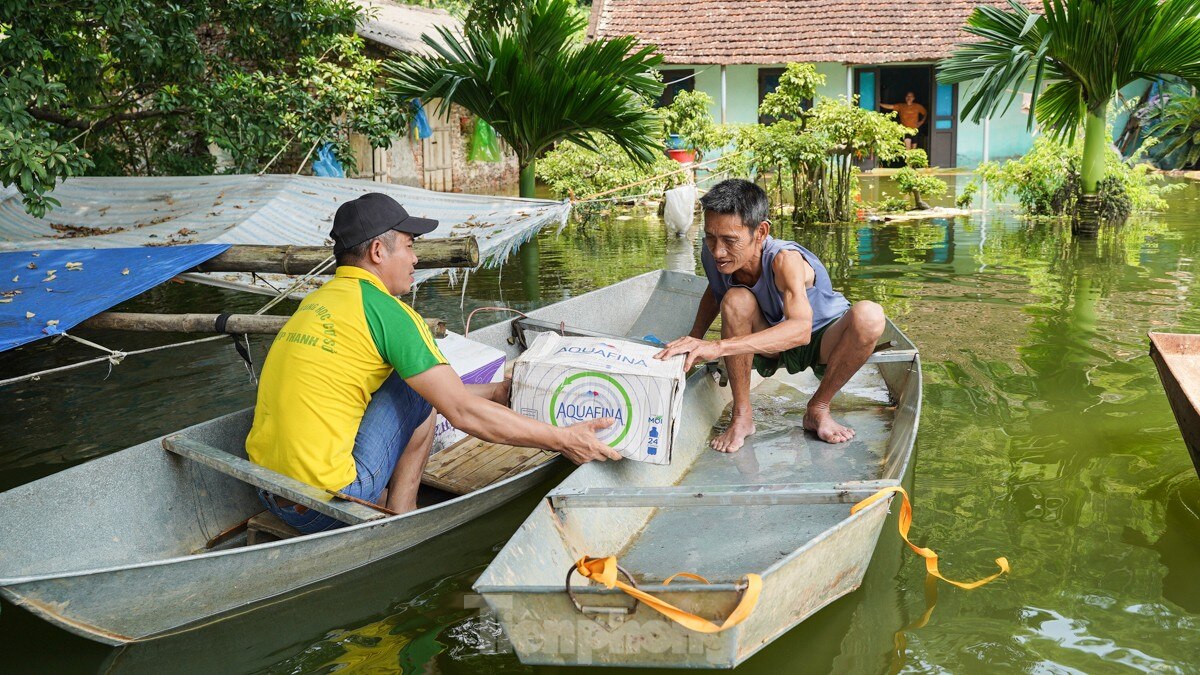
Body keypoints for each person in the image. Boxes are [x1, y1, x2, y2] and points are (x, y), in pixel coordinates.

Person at [246, 192, 620, 534]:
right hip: (328, 505)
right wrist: (564, 439)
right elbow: (459, 412)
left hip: (267, 489)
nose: (415, 258)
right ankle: (403, 514)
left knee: (415, 385)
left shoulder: (315, 302)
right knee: (422, 394)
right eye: (409, 247)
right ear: (378, 251)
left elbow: (443, 395)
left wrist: (494, 391)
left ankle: (391, 501)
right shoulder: (389, 313)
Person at [654, 179, 885, 451]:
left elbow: (799, 331)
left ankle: (819, 407)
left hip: (820, 338)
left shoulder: (785, 261)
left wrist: (717, 347)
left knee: (870, 315)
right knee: (735, 299)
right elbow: (715, 291)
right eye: (710, 237)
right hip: (768, 340)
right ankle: (742, 416)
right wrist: (693, 339)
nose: (718, 251)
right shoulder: (713, 253)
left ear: (761, 232)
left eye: (730, 240)